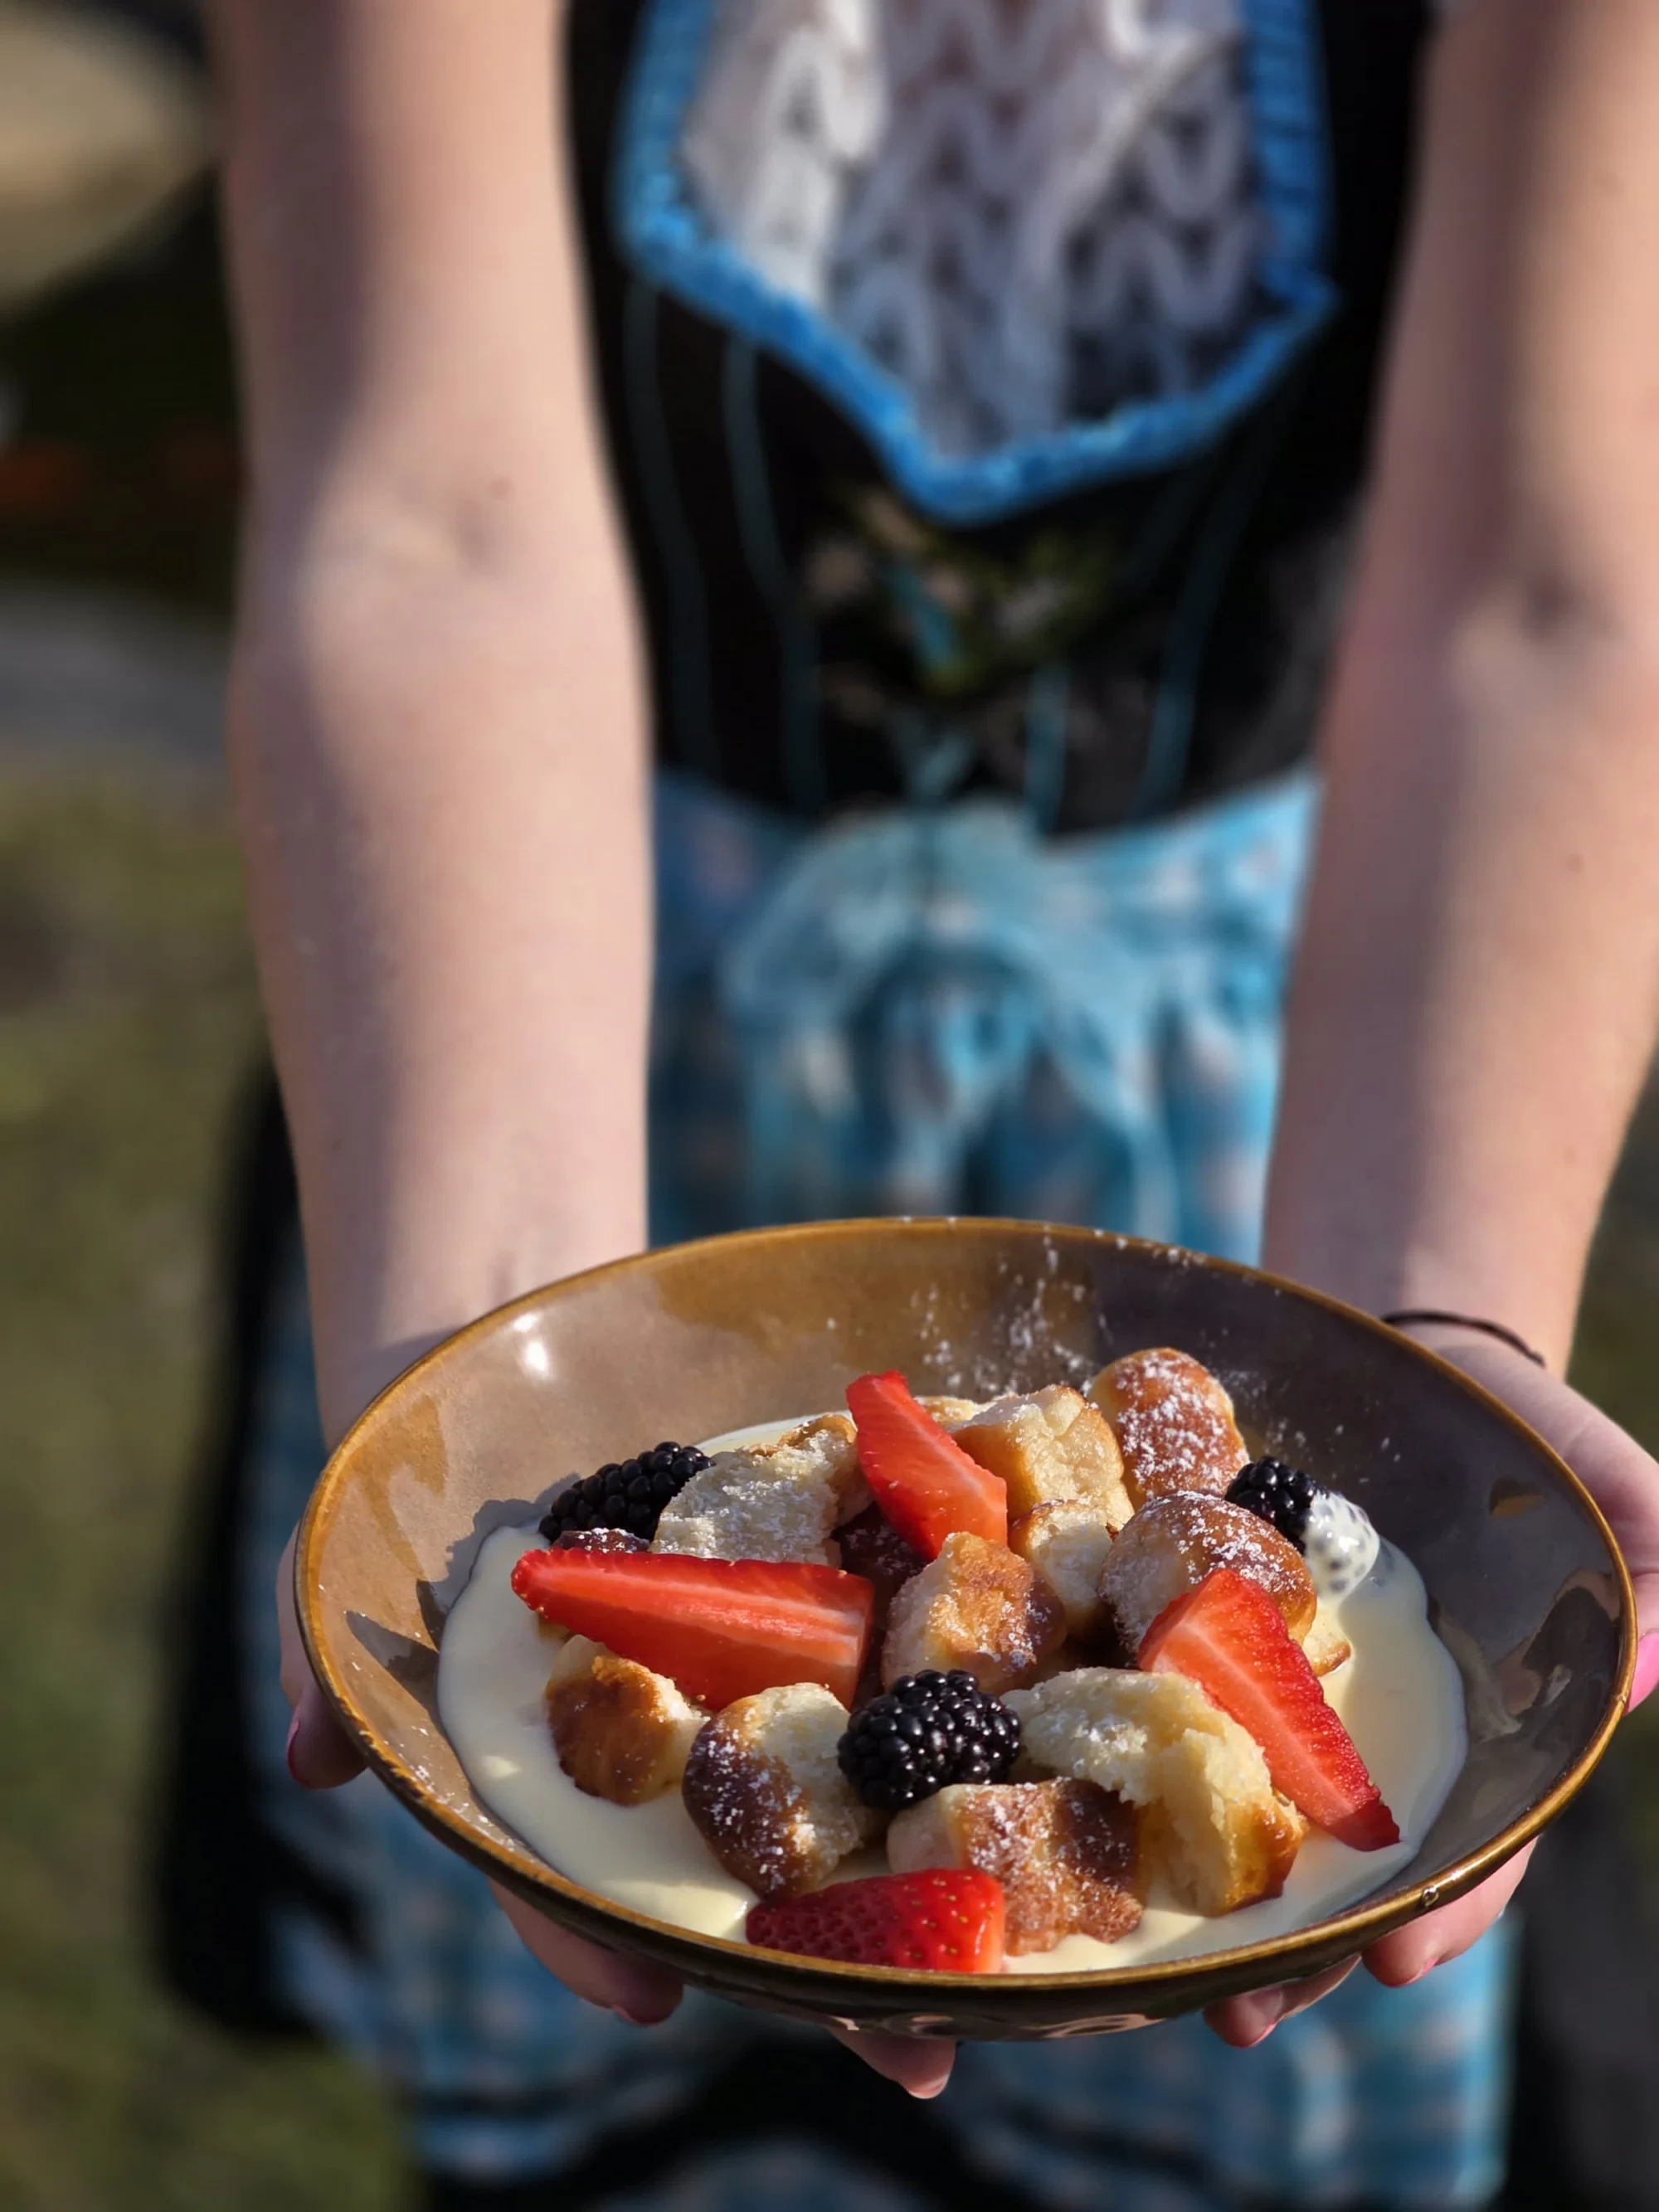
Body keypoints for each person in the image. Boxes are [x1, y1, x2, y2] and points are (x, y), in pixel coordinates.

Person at [170, 0, 1659, 2205]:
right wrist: (492, 1389)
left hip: (1263, 1122)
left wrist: (1412, 1382)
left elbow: (1545, 600)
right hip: (553, 1030)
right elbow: (426, 529)